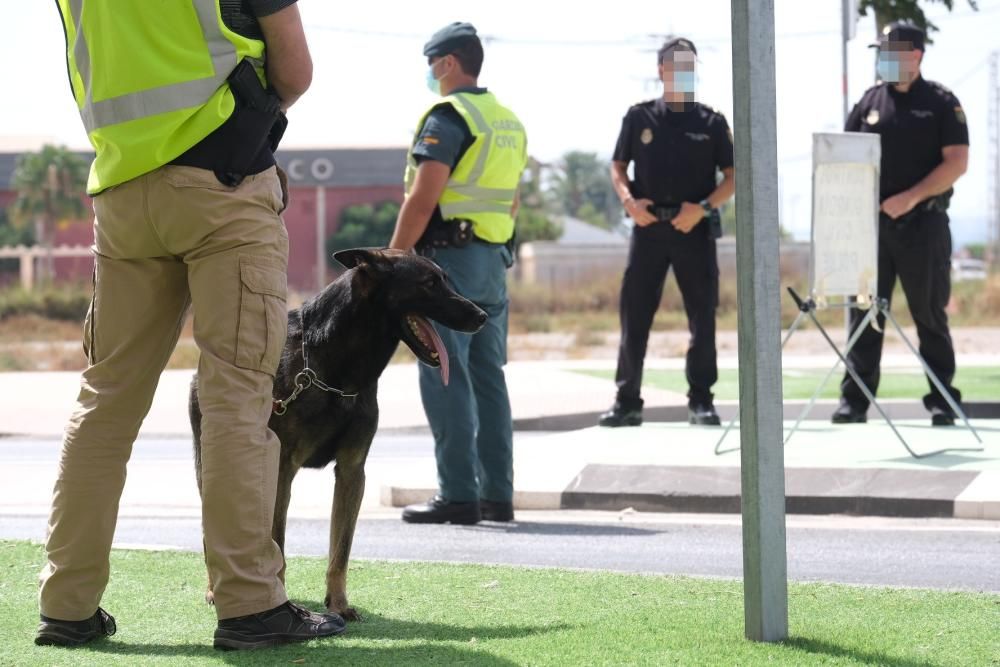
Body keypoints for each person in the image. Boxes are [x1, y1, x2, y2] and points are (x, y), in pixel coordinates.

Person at [39, 1, 345, 651]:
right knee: (236, 395)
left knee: (105, 400)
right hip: (224, 184)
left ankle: (67, 604)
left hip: (121, 190)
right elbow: (294, 68)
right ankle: (250, 603)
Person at [389, 22, 528, 525]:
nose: (430, 73)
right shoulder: (507, 121)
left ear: (448, 63)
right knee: (489, 380)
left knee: (445, 373)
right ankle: (497, 495)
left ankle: (458, 495)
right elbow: (512, 200)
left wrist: (392, 260)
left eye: (432, 63)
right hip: (493, 260)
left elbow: (423, 197)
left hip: (448, 265)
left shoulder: (449, 118)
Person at [833, 21, 969, 427]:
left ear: (915, 56)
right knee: (864, 314)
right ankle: (853, 402)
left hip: (922, 227)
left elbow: (957, 163)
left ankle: (943, 398)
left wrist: (909, 198)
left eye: (891, 52)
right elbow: (845, 154)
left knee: (929, 314)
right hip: (872, 230)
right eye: (881, 52)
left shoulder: (942, 103)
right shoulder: (870, 101)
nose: (884, 59)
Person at [599, 37, 735, 428]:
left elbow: (732, 178)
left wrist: (704, 208)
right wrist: (629, 202)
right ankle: (627, 401)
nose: (683, 72)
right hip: (649, 228)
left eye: (690, 65)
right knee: (635, 317)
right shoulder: (640, 118)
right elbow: (618, 167)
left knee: (702, 318)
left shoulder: (711, 122)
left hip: (693, 228)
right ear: (661, 70)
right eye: (675, 65)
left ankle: (701, 401)